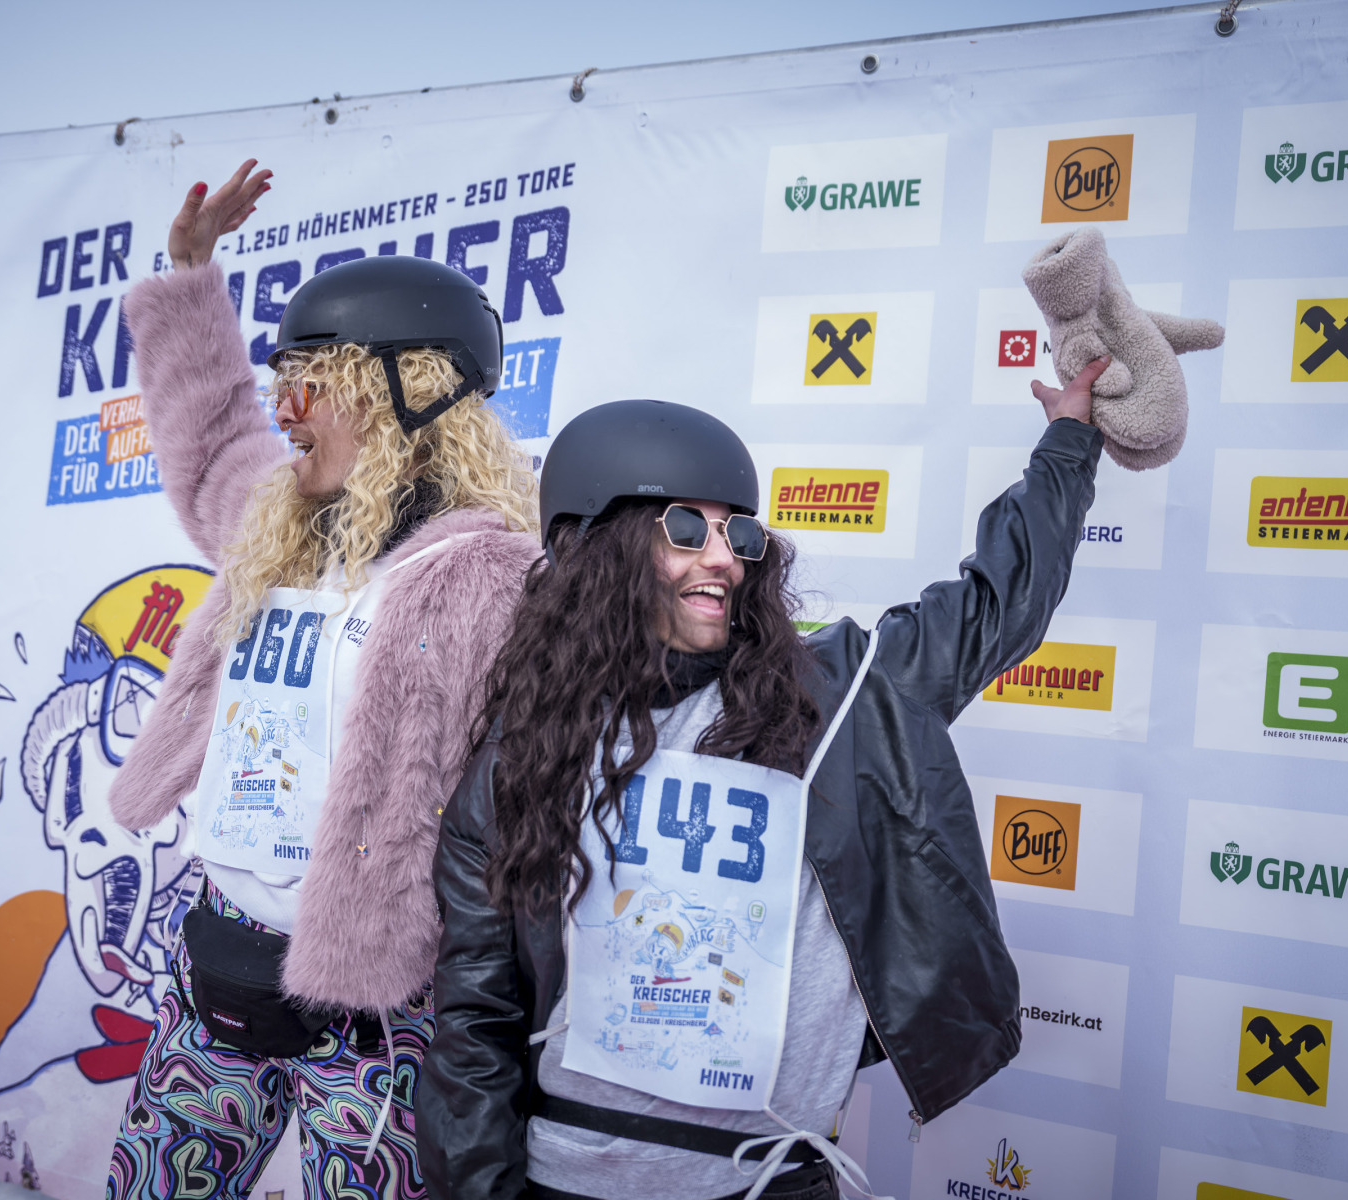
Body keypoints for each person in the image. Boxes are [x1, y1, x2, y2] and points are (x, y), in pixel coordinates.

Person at [420, 360, 1111, 1200]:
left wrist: (1068, 442)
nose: (726, 558)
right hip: (570, 1180)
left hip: (776, 1179)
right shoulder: (528, 752)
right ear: (595, 546)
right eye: (686, 529)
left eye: (738, 534)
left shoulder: (835, 701)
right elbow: (476, 1020)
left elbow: (993, 605)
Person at [104, 159, 541, 1200]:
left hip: (382, 1007)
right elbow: (210, 438)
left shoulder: (493, 577)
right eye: (281, 381)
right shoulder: (276, 525)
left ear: (406, 395)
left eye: (313, 382)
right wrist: (189, 276)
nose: (285, 408)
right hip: (223, 963)